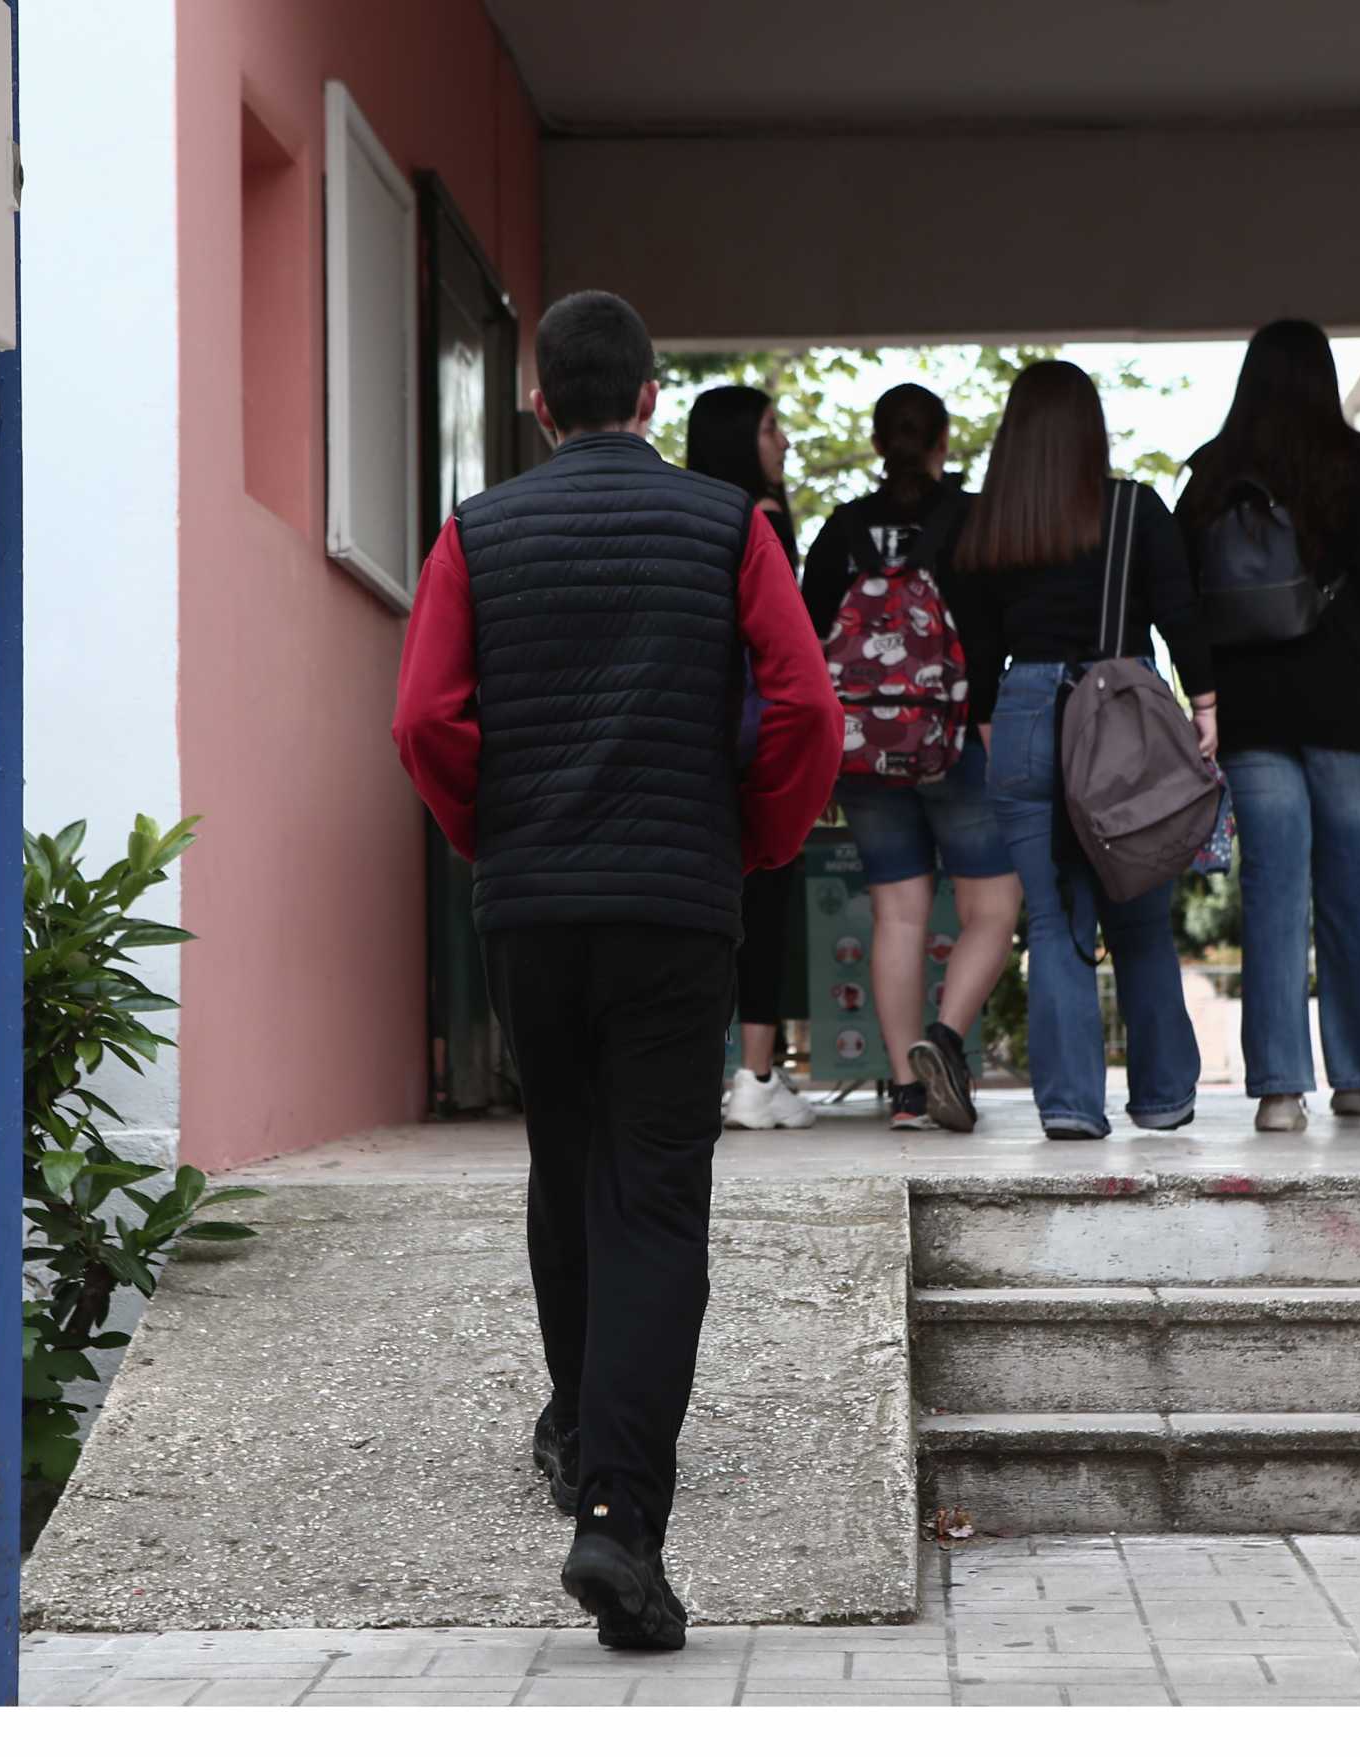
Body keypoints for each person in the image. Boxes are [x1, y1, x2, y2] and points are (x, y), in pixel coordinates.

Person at [393, 291, 841, 1650]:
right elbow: (808, 707)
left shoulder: (476, 533)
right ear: (651, 400)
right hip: (673, 908)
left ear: (540, 405)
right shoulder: (732, 529)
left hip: (534, 910)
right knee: (653, 1200)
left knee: (566, 1166)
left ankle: (580, 1424)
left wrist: (493, 836)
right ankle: (617, 1515)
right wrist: (754, 839)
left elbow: (426, 716)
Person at [953, 360, 1217, 1140]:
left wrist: (994, 724)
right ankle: (1164, 1094)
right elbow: (1181, 614)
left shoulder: (992, 524)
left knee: (1052, 919)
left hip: (1025, 709)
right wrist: (1204, 705)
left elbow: (975, 648)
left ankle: (1069, 1105)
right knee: (1137, 914)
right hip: (1122, 715)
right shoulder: (1136, 508)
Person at [1180, 319, 1360, 1134]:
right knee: (1358, 892)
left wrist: (1202, 699)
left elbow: (1184, 608)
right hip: (1353, 710)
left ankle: (1280, 1090)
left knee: (1274, 892)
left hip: (1253, 717)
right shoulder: (1359, 470)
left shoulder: (1210, 479)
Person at [801, 383, 1022, 1132]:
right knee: (992, 908)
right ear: (944, 442)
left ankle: (905, 1092)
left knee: (897, 914)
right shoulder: (973, 520)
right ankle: (947, 1041)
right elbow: (992, 632)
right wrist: (986, 720)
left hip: (863, 751)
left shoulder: (841, 529)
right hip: (956, 740)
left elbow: (806, 634)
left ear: (874, 443)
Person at [688, 384, 816, 1131]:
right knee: (764, 899)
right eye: (772, 427)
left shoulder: (694, 517)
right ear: (742, 438)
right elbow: (785, 645)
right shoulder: (762, 520)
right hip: (753, 733)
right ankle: (756, 1077)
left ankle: (713, 1070)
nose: (785, 442)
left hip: (695, 733)